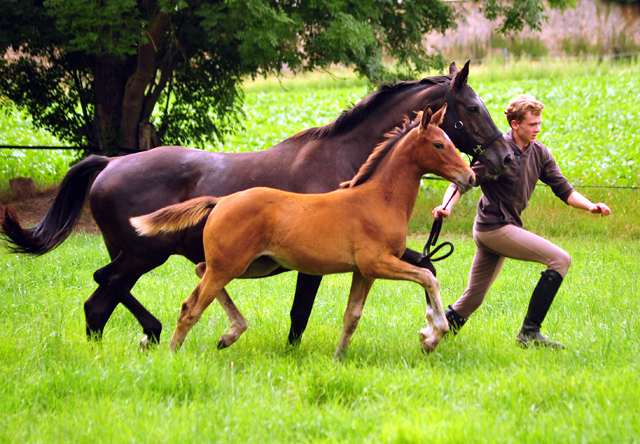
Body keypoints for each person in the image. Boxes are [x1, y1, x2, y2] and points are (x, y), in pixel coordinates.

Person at [432, 94, 611, 349]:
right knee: (560, 259)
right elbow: (462, 182)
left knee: (472, 299)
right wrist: (445, 206)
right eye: (532, 124)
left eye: (539, 123)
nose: (537, 129)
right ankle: (529, 334)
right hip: (493, 229)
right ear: (515, 124)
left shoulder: (539, 152)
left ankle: (434, 333)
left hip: (504, 228)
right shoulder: (496, 152)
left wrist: (590, 205)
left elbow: (564, 190)